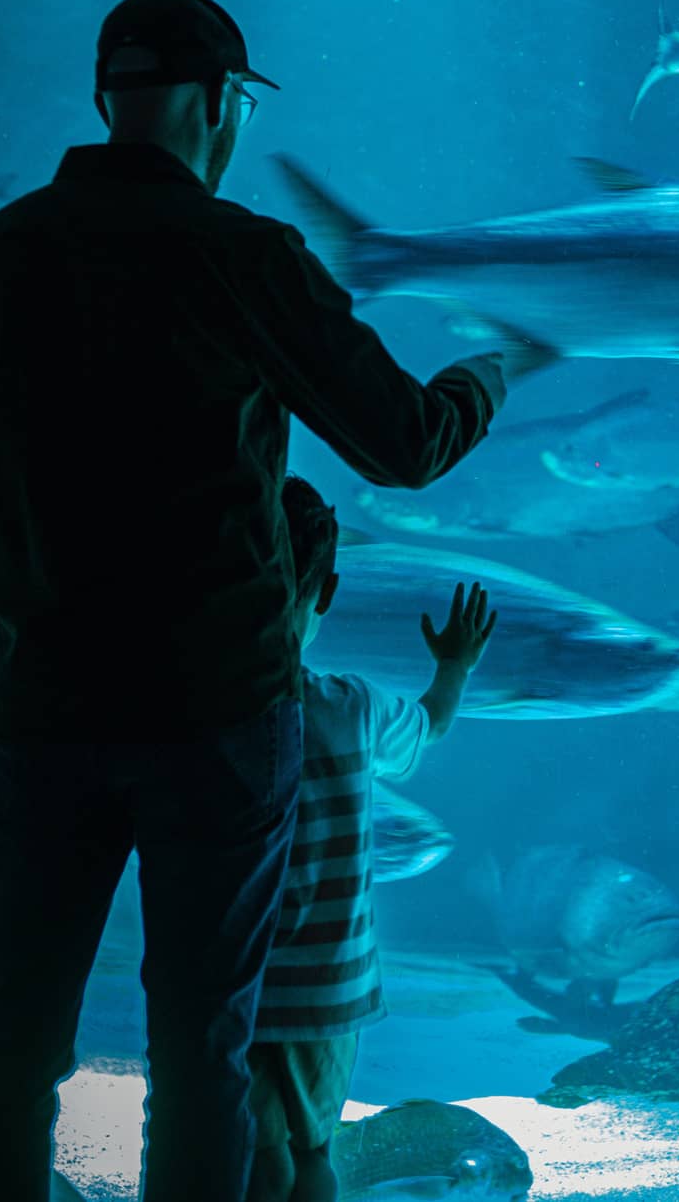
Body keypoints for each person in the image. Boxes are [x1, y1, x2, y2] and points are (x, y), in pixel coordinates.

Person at [0, 0, 530, 1202]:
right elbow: (403, 444)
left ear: (108, 98)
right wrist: (486, 377)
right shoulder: (241, 254)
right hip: (214, 714)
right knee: (202, 1042)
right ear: (218, 103)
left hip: (42, 704)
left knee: (17, 1035)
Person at [245, 477, 494, 1202]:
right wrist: (454, 665)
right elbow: (433, 723)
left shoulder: (200, 715)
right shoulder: (351, 708)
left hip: (232, 977)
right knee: (310, 1147)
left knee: (247, 1139)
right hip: (329, 986)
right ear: (326, 592)